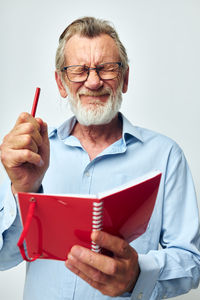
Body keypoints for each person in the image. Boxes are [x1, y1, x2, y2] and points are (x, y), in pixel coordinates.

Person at [0, 16, 200, 300]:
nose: (93, 82)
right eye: (79, 70)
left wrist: (138, 275)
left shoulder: (166, 155)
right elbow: (4, 258)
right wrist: (23, 189)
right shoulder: (30, 153)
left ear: (125, 78)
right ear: (60, 82)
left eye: (107, 68)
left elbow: (192, 261)